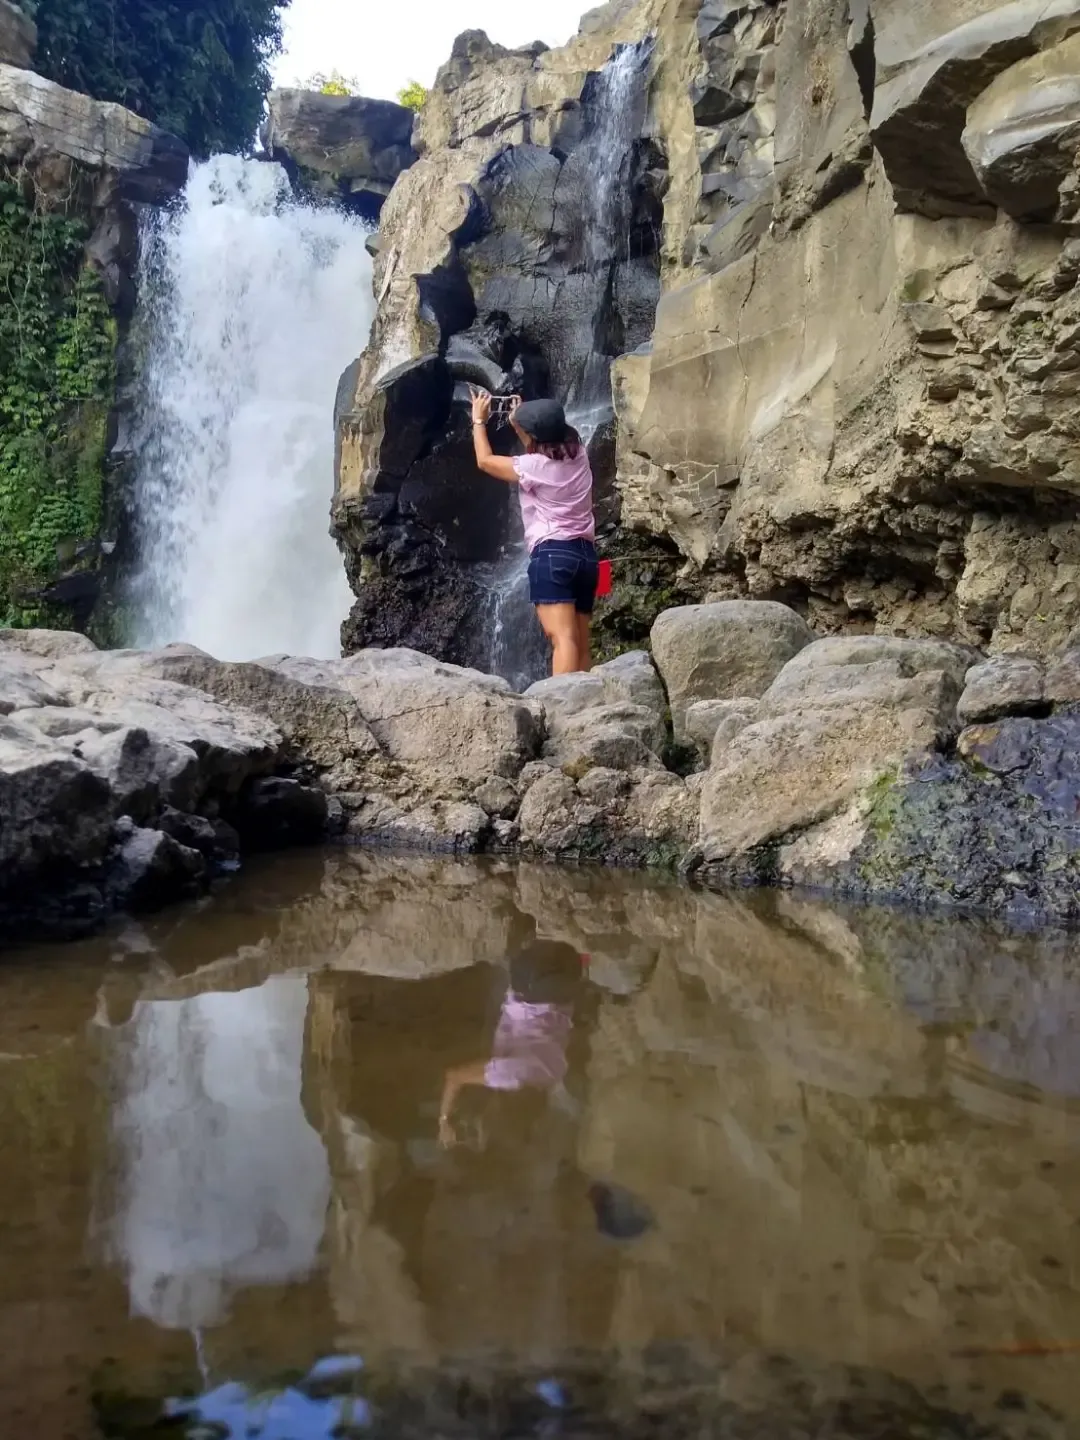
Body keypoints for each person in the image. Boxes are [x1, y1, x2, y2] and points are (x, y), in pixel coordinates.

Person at [469, 385, 598, 675]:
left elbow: (485, 461)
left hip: (554, 557)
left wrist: (479, 421)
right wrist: (521, 420)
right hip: (587, 559)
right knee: (580, 642)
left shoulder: (534, 467)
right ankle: (588, 707)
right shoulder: (580, 455)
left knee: (562, 640)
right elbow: (542, 441)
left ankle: (563, 708)